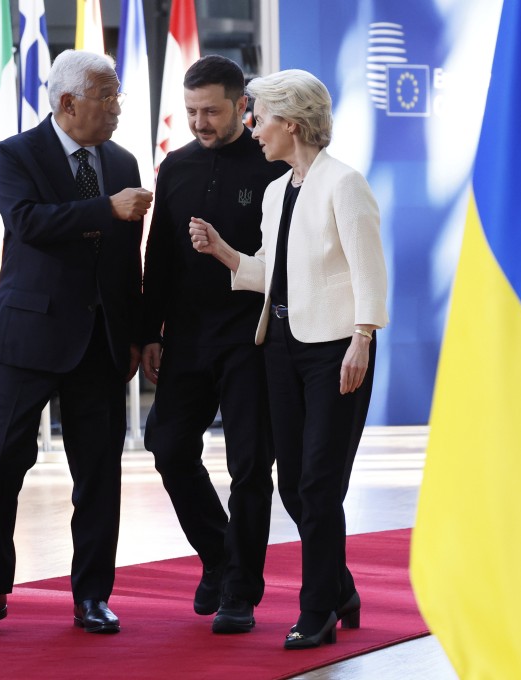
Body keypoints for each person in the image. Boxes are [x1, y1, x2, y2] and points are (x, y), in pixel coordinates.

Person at [188, 69, 389, 649]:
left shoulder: (344, 184)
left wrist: (362, 338)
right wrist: (225, 253)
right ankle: (341, 589)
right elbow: (274, 275)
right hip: (280, 347)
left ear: (292, 124)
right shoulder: (277, 191)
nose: (253, 129)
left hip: (336, 350)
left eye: (261, 118)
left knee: (319, 485)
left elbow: (369, 272)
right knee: (295, 485)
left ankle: (317, 611)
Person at [0, 50, 152, 635]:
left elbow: (128, 261)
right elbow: (28, 222)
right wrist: (105, 208)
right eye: (107, 97)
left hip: (100, 342)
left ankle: (92, 596)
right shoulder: (15, 153)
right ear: (69, 102)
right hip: (29, 336)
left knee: (99, 475)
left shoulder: (122, 161)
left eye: (117, 95)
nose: (117, 108)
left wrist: (137, 334)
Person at [140, 55, 288, 634]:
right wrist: (149, 333)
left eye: (211, 111)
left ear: (242, 106)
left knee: (249, 466)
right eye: (192, 111)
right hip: (186, 338)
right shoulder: (175, 167)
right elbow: (160, 257)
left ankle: (240, 591)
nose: (200, 122)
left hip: (251, 337)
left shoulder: (272, 165)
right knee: (168, 445)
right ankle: (221, 557)